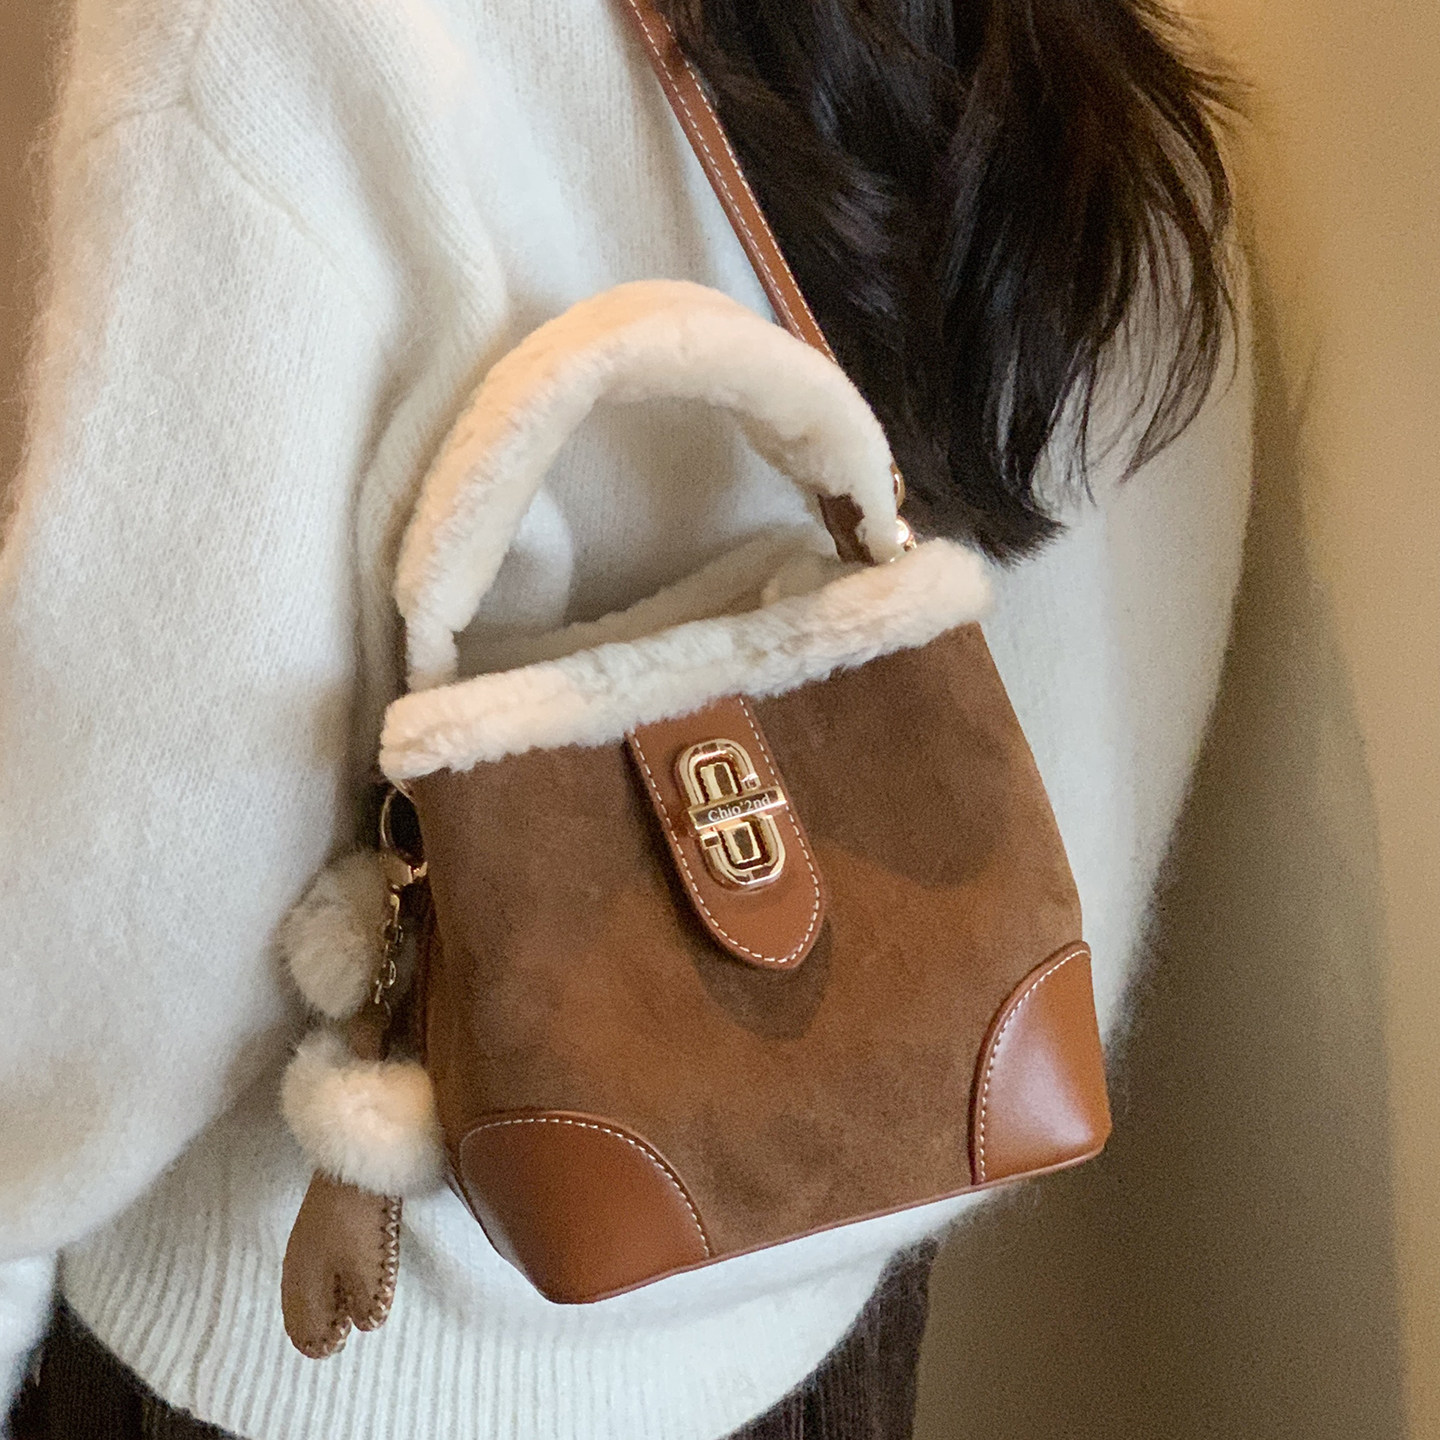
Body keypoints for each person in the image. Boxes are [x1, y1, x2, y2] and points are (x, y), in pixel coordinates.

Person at [0, 0, 1250, 1436]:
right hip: (834, 1273)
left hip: (352, 1339)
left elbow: (128, 893)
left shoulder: (259, 38)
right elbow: (1118, 563)